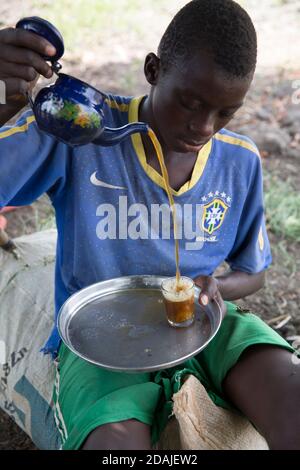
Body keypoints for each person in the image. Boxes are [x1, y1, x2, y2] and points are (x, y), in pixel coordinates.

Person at [0, 0, 299, 451]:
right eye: (190, 102)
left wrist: (218, 288)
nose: (203, 126)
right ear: (154, 69)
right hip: (99, 343)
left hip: (208, 326)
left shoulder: (239, 161)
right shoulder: (84, 131)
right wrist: (7, 99)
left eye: (225, 113)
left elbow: (253, 271)